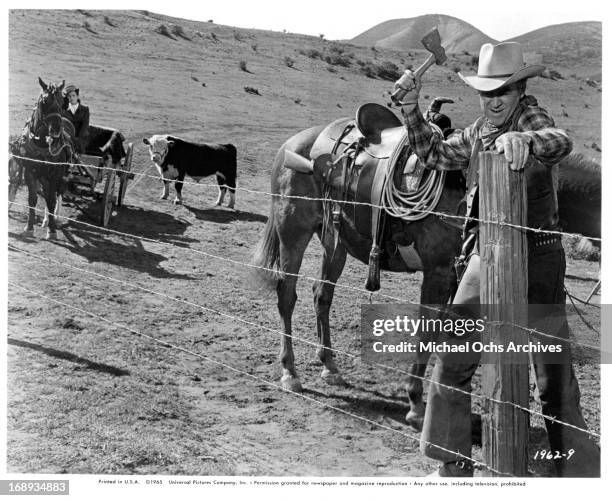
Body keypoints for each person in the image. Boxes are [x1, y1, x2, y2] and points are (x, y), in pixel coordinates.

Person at [395, 42, 600, 477]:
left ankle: (579, 473)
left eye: (502, 91)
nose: (494, 100)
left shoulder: (528, 115)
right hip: (482, 259)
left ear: (520, 89)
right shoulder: (477, 130)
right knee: (452, 356)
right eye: (487, 93)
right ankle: (452, 464)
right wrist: (412, 109)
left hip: (537, 260)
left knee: (551, 374)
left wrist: (525, 137)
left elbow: (558, 140)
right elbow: (434, 154)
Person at [62, 83, 90, 154]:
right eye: (69, 96)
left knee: (80, 151)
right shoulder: (63, 110)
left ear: (77, 96)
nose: (71, 98)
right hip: (67, 138)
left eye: (73, 95)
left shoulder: (85, 109)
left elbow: (85, 126)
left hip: (81, 138)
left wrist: (78, 139)